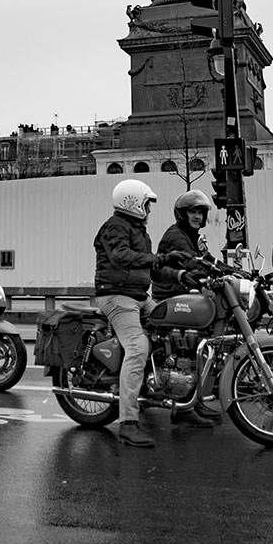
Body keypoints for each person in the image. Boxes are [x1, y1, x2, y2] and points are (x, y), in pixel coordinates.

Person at [93, 179, 199, 448]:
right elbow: (120, 256)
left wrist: (182, 274)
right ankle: (128, 423)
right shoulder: (114, 226)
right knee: (138, 346)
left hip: (139, 296)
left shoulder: (140, 231)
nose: (149, 209)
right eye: (147, 203)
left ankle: (183, 407)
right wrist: (160, 258)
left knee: (177, 328)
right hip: (117, 297)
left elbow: (152, 269)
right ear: (133, 202)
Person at [151, 190, 222, 425]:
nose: (198, 217)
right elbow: (193, 263)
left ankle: (196, 400)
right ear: (182, 214)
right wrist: (211, 269)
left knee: (202, 347)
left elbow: (207, 260)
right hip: (171, 296)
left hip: (182, 294)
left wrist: (234, 272)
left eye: (201, 213)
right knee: (188, 350)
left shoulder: (191, 235)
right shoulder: (177, 236)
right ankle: (183, 409)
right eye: (193, 211)